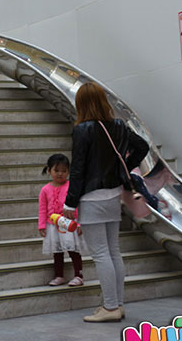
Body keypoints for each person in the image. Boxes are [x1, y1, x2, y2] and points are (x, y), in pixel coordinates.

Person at [62, 82, 148, 323]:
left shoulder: (83, 129)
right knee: (113, 251)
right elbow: (142, 147)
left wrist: (70, 203)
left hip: (91, 198)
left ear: (81, 104)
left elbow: (78, 169)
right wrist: (123, 168)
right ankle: (117, 304)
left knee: (100, 253)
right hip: (113, 194)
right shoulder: (119, 126)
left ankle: (110, 307)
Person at [38, 153, 85, 287]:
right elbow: (42, 208)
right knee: (57, 251)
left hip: (69, 224)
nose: (60, 174)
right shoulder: (45, 190)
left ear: (68, 172)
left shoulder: (71, 187)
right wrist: (42, 225)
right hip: (53, 225)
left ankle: (79, 275)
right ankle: (59, 275)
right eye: (56, 170)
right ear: (49, 170)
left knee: (73, 250)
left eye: (64, 171)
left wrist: (79, 223)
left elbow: (78, 206)